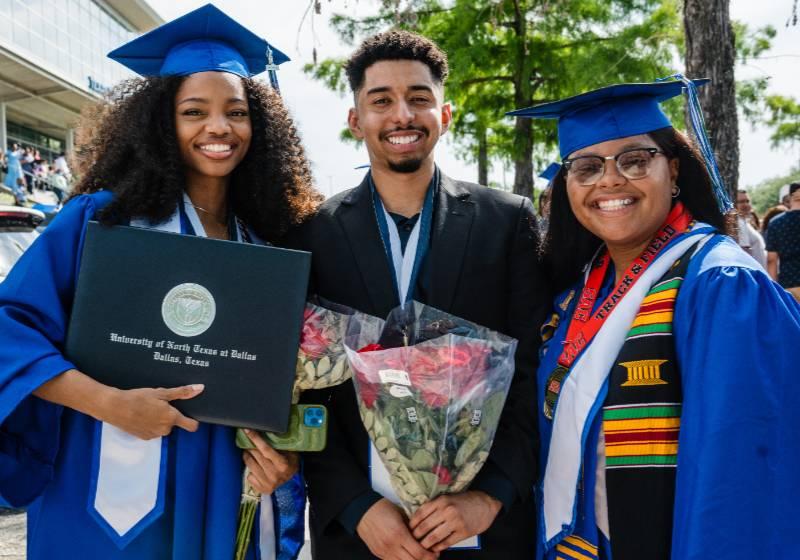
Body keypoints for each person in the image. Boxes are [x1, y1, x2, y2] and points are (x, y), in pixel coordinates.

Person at [0, 5, 320, 559]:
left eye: (236, 113)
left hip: (224, 473)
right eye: (194, 111)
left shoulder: (266, 247)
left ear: (258, 126)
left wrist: (284, 459)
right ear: (161, 123)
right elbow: (10, 331)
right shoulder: (102, 222)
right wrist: (107, 402)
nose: (218, 128)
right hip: (105, 468)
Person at [285, 30, 550, 560]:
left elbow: (531, 372)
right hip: (361, 531)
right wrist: (355, 505)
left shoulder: (507, 220)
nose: (402, 114)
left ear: (444, 114)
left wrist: (490, 496)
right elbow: (304, 388)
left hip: (481, 527)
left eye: (419, 98)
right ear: (356, 119)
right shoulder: (313, 231)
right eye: (381, 100)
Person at [511, 77, 800, 560]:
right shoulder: (576, 294)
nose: (609, 181)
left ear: (675, 168)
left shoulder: (722, 287)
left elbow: (742, 480)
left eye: (635, 160)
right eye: (585, 167)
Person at [766, 182, 800, 301]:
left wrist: (774, 291)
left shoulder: (776, 223)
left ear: (791, 197)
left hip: (789, 284)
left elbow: (771, 260)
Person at [735, 189, 767, 268]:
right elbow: (745, 253)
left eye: (747, 201)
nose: (746, 204)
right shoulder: (739, 224)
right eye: (741, 202)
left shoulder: (745, 222)